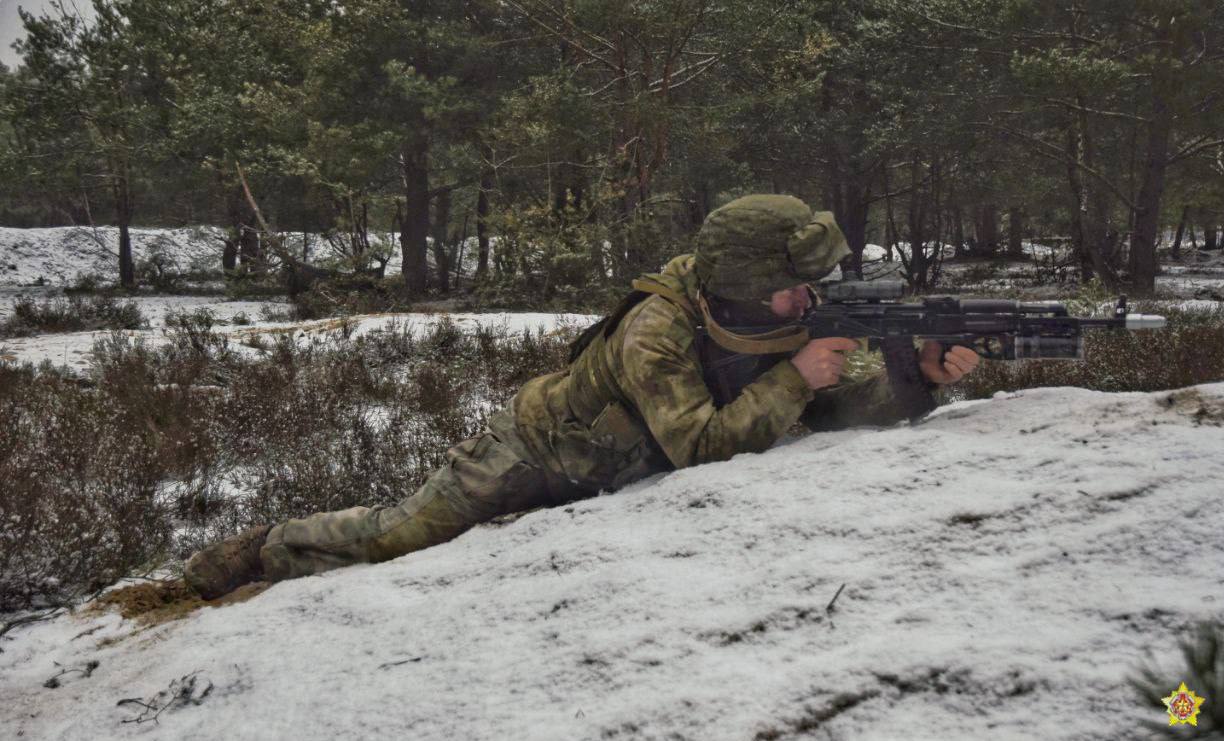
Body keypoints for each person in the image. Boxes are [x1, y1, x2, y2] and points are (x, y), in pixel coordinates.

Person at [184, 194, 980, 599]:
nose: (808, 302)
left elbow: (818, 409)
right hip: (533, 450)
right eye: (791, 289)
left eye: (815, 286)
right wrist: (793, 375)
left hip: (614, 474)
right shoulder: (658, 330)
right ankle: (261, 549)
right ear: (746, 283)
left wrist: (915, 381)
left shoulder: (770, 319)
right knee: (401, 536)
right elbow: (702, 448)